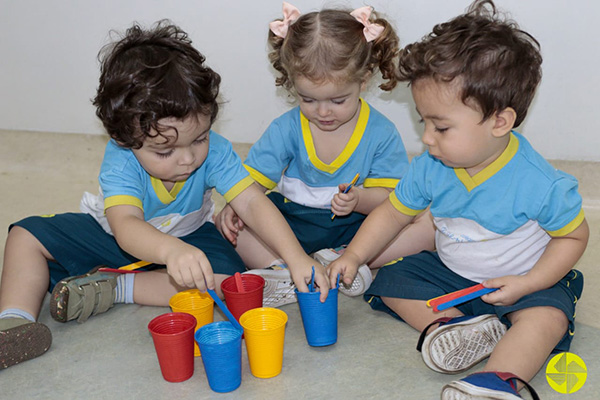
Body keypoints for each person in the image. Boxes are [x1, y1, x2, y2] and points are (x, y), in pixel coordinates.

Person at [0, 20, 328, 370]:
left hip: (192, 234)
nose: (187, 159)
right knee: (24, 235)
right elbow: (125, 226)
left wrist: (295, 257)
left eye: (199, 139)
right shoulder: (122, 158)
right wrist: (171, 252)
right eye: (164, 151)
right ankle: (14, 322)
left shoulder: (215, 151)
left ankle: (114, 289)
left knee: (224, 286)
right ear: (126, 137)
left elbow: (250, 201)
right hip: (117, 237)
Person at [328, 1, 589, 398]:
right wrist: (354, 256)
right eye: (424, 122)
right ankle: (448, 327)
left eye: (441, 126)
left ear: (500, 121)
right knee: (391, 281)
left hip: (525, 277)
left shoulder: (538, 183)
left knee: (546, 318)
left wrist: (528, 283)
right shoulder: (431, 165)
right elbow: (393, 215)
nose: (427, 138)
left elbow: (573, 237)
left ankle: (496, 380)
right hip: (451, 272)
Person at [215, 3, 435, 307]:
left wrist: (360, 199)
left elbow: (392, 200)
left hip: (356, 230)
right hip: (292, 226)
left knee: (427, 223)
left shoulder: (381, 132)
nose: (322, 111)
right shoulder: (287, 128)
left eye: (337, 100)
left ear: (364, 79)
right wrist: (233, 205)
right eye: (308, 99)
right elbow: (252, 184)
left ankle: (350, 262)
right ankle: (283, 270)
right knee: (227, 226)